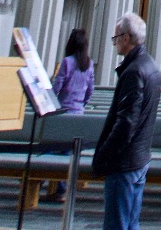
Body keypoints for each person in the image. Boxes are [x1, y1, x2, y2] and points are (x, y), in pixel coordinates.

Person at [92, 12, 161, 230]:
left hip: (125, 161)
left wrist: (104, 153)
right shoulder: (150, 65)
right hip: (140, 157)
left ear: (125, 38)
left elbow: (126, 122)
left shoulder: (134, 72)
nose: (114, 43)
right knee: (130, 223)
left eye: (115, 38)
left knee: (117, 223)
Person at [44, 27, 95, 202]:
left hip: (64, 111)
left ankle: (49, 180)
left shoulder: (67, 62)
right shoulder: (88, 64)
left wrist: (50, 102)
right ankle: (61, 188)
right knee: (67, 152)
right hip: (78, 112)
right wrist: (82, 104)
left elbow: (58, 85)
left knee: (53, 148)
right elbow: (90, 89)